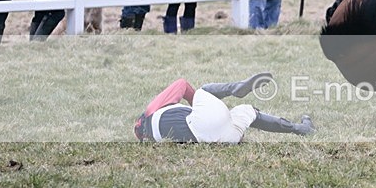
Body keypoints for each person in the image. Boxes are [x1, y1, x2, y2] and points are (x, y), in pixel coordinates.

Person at [133, 72, 315, 143]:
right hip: (205, 127)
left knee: (246, 112)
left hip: (218, 139)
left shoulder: (159, 131)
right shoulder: (153, 111)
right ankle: (234, 87)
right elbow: (182, 84)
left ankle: (301, 128)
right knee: (204, 91)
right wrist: (197, 100)